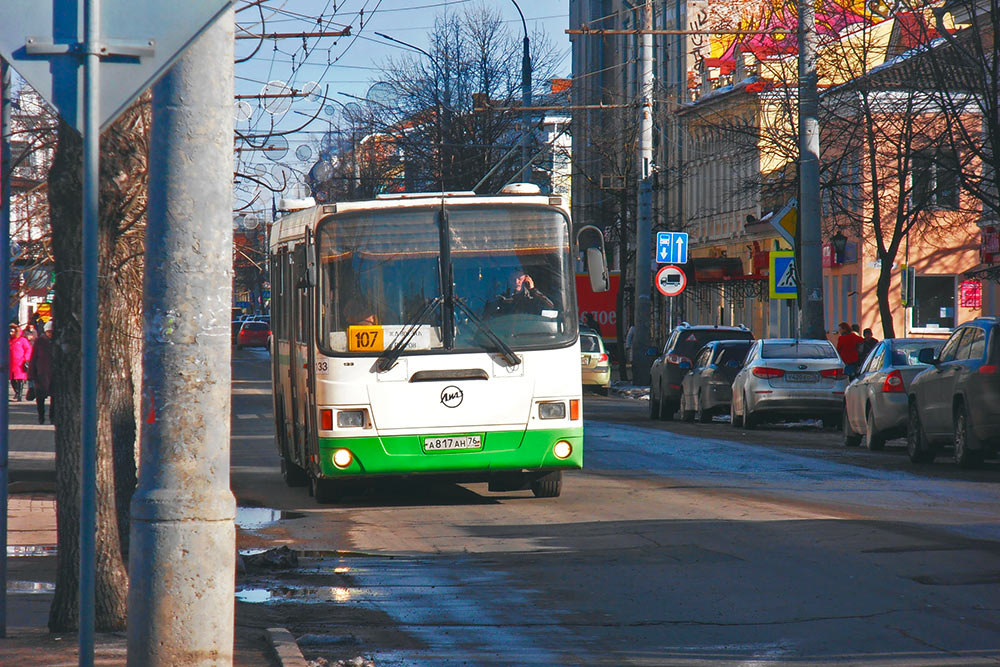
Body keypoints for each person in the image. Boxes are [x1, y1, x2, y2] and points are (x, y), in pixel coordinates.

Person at [28, 321, 54, 423]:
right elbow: (33, 359)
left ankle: (53, 417)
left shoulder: (56, 342)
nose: (50, 334)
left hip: (54, 375)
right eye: (49, 332)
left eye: (52, 332)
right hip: (40, 375)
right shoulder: (40, 342)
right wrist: (31, 375)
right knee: (40, 398)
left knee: (55, 398)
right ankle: (41, 417)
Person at [8, 323, 32, 401]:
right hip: (11, 363)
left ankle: (19, 395)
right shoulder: (9, 341)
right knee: (12, 380)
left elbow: (28, 349)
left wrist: (26, 359)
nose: (11, 333)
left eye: (12, 331)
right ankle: (17, 392)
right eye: (10, 331)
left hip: (20, 363)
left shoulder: (22, 340)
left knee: (20, 379)